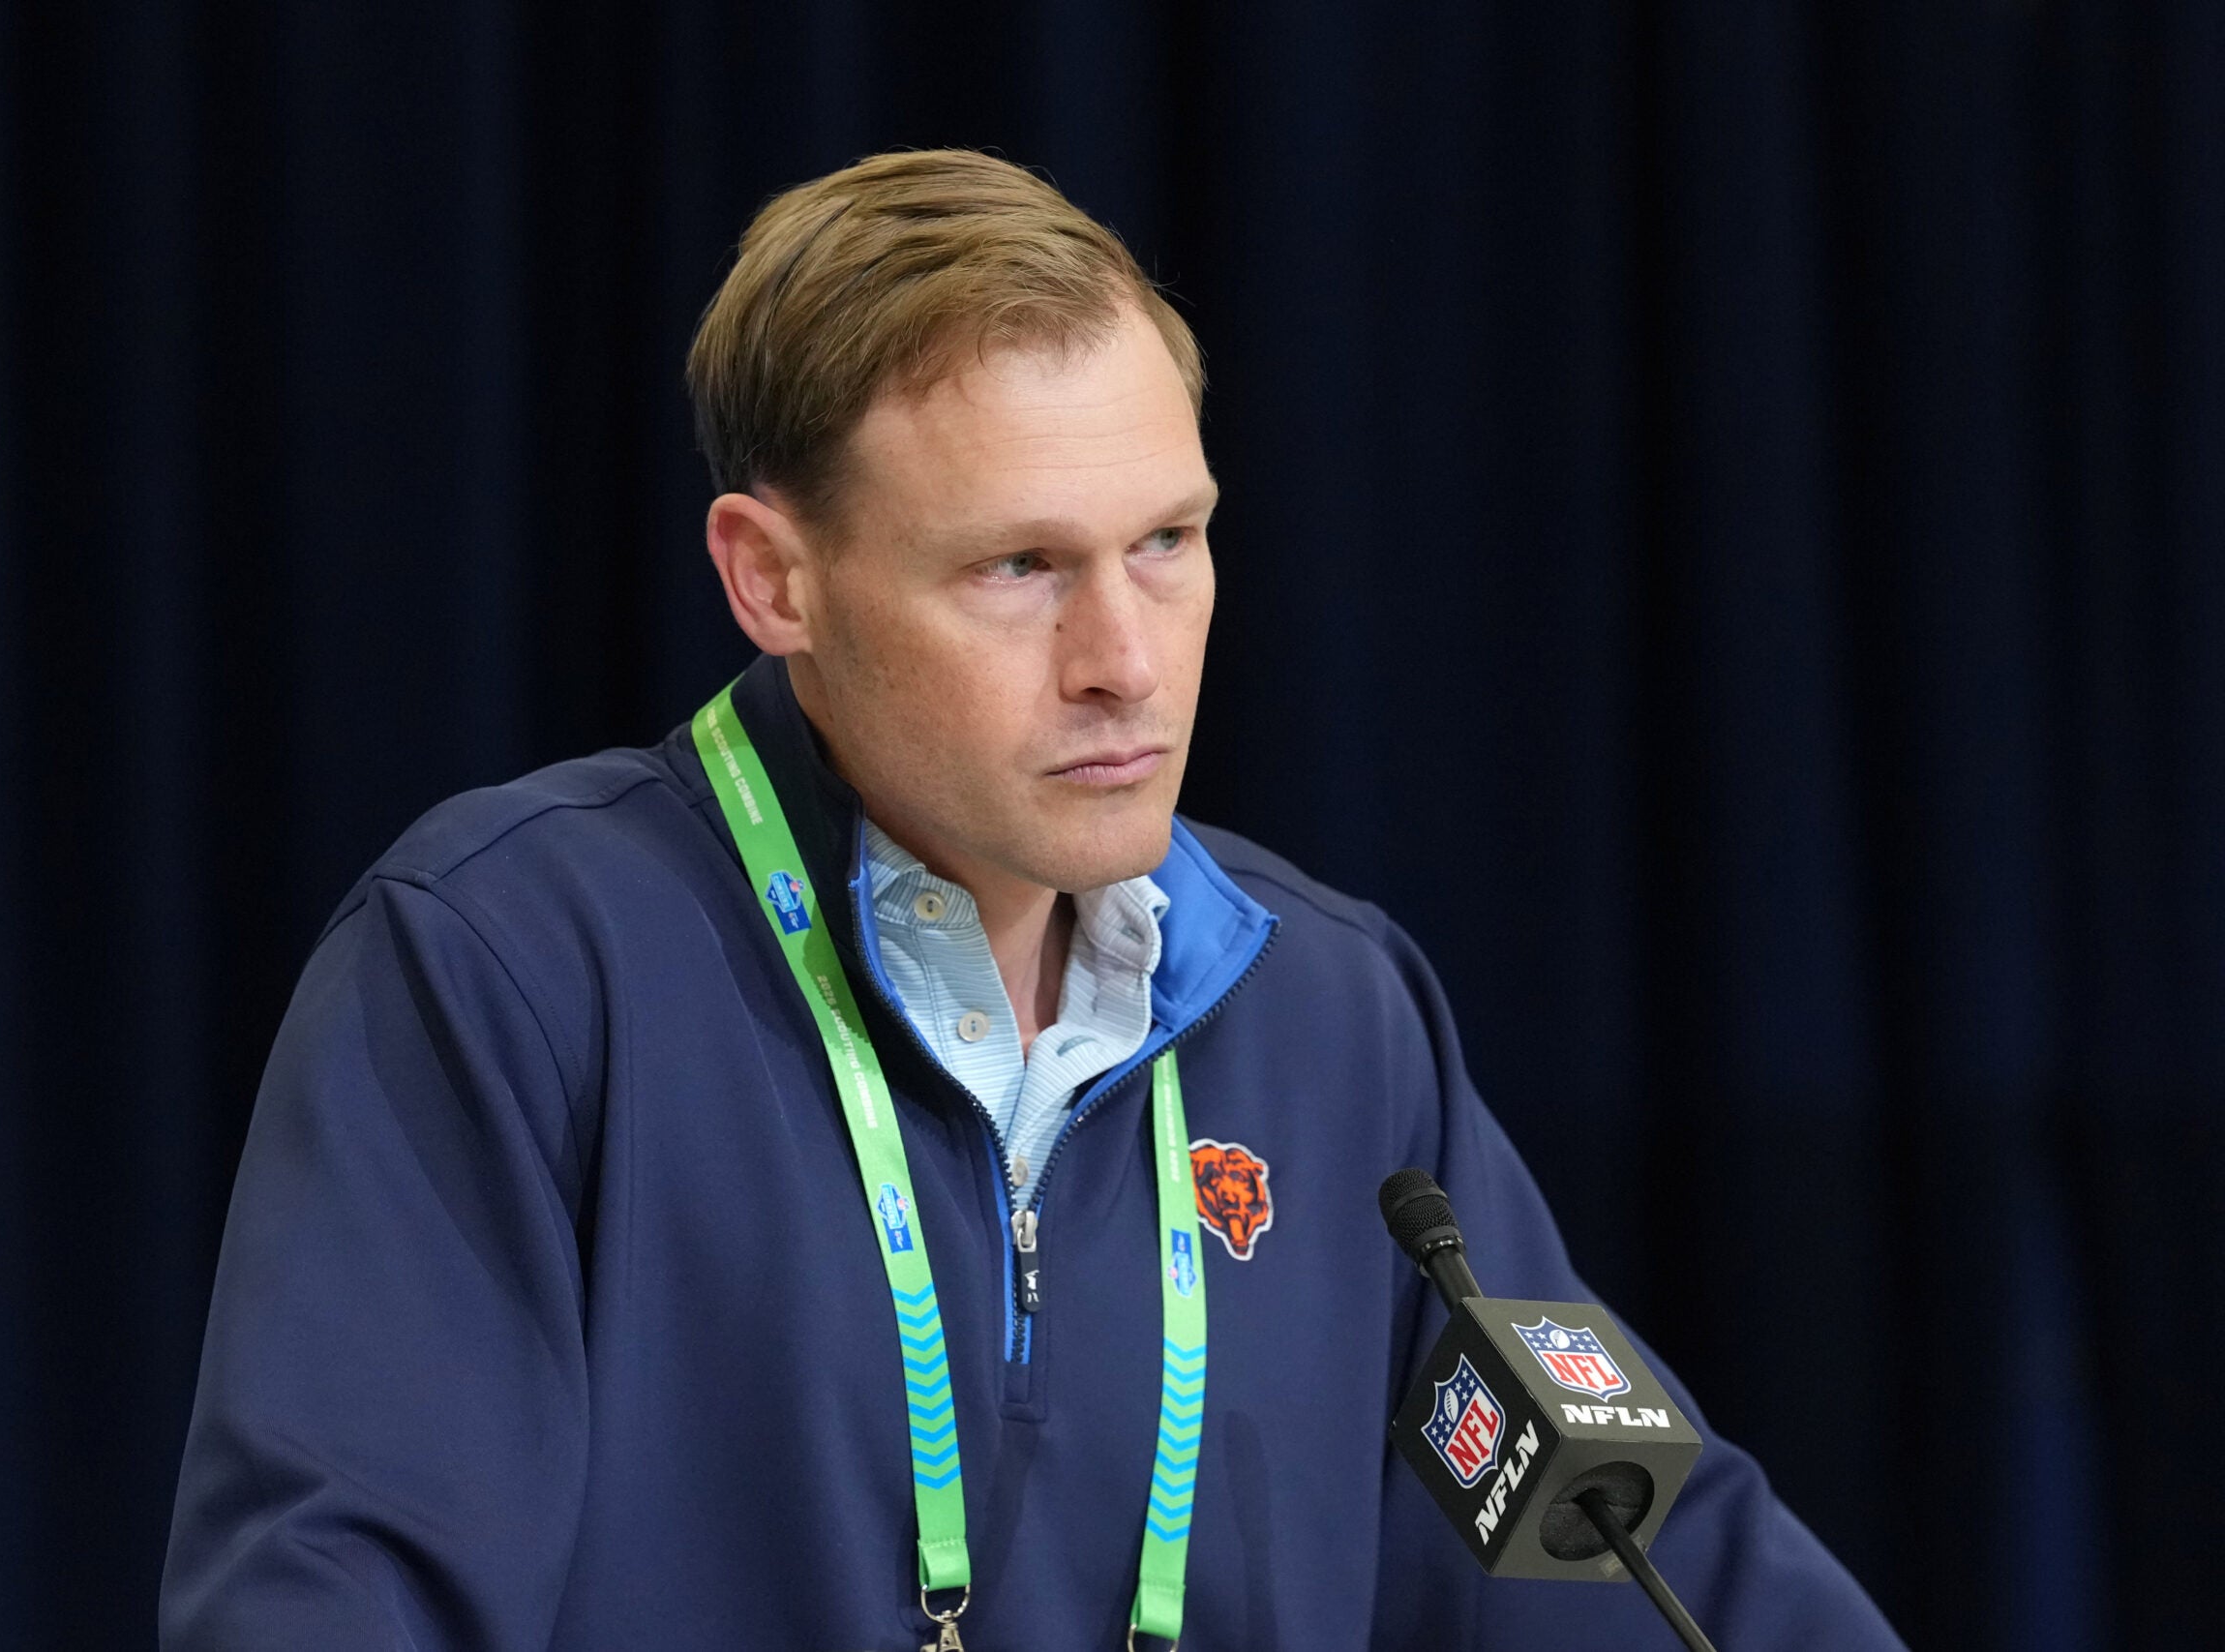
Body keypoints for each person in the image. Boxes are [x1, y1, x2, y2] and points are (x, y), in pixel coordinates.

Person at [160, 149, 1901, 1650]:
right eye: (1019, 569)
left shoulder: (1332, 1017)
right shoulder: (514, 969)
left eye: (1169, 542)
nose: (1124, 662)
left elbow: (1643, 1563)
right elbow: (333, 1596)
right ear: (774, 579)